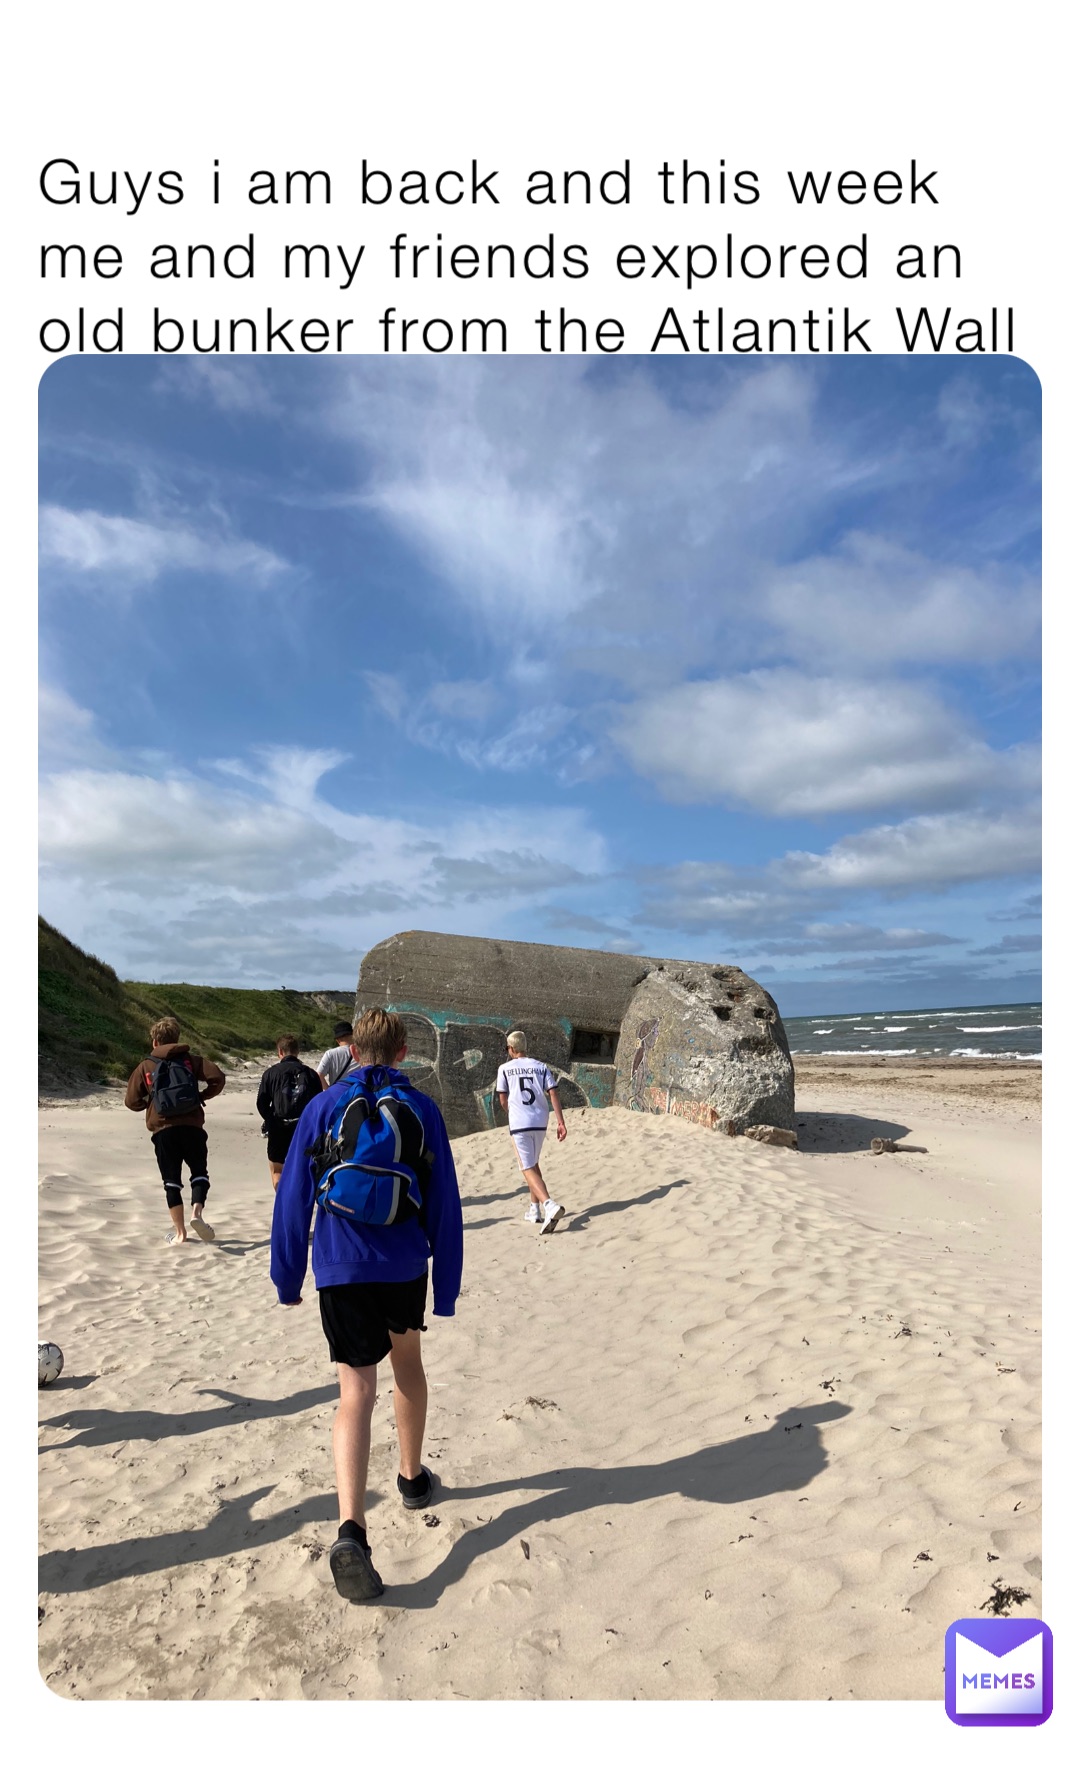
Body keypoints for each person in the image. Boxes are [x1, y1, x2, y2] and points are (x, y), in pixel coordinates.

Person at [271, 1008, 463, 1603]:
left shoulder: (323, 1107)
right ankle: (410, 1480)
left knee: (355, 1390)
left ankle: (352, 1529)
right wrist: (447, 1285)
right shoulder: (424, 1110)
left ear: (352, 1050)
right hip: (404, 1262)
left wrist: (287, 1275)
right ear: (404, 1052)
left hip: (339, 1264)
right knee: (408, 1365)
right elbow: (445, 1202)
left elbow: (293, 1198)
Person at [125, 1016, 226, 1244]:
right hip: (192, 1126)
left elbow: (131, 1101)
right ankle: (197, 1214)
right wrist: (201, 1096)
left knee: (171, 1181)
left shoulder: (146, 1066)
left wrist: (150, 1105)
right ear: (177, 1038)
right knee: (199, 1172)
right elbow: (218, 1078)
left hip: (163, 1130)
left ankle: (180, 1233)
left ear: (154, 1042)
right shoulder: (191, 1061)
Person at [495, 1030, 567, 1233]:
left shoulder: (505, 1068)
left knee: (525, 1168)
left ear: (512, 1048)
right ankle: (534, 1210)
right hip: (540, 1120)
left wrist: (512, 1111)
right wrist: (560, 1122)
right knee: (533, 1163)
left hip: (520, 1122)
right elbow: (553, 1093)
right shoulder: (541, 1067)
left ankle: (548, 1205)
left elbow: (502, 1099)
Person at [256, 1035, 323, 1189]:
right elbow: (319, 1102)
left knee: (277, 1169)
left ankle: (281, 1201)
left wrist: (270, 1121)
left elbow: (262, 1102)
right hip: (303, 1128)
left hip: (278, 1126)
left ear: (280, 1052)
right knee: (303, 1168)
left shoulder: (271, 1073)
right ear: (297, 1051)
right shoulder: (310, 1074)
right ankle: (298, 1200)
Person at [316, 1020, 357, 1089]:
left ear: (338, 1040)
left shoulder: (330, 1054)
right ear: (353, 1035)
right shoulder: (361, 1053)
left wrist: (328, 1090)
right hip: (356, 1094)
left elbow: (319, 1075)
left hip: (336, 1093)